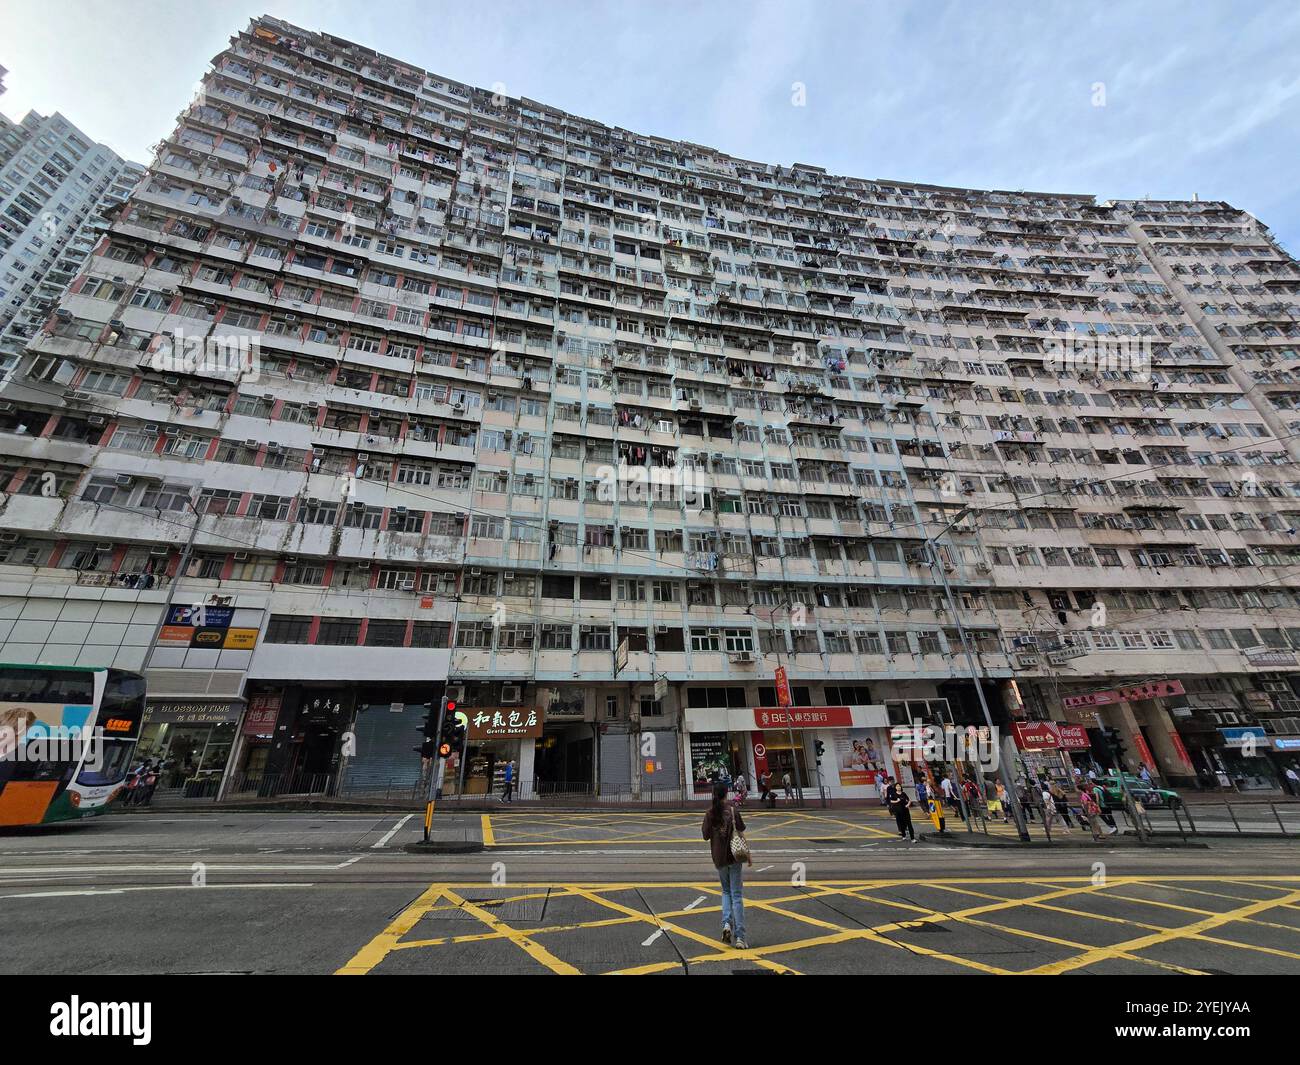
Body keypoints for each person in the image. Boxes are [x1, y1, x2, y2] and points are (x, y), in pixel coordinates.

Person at [702, 780, 751, 949]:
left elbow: (705, 836)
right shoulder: (732, 811)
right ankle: (740, 937)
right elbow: (741, 833)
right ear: (726, 794)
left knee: (725, 891)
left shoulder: (710, 813)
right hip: (734, 857)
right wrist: (748, 855)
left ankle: (726, 924)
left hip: (719, 858)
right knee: (736, 895)